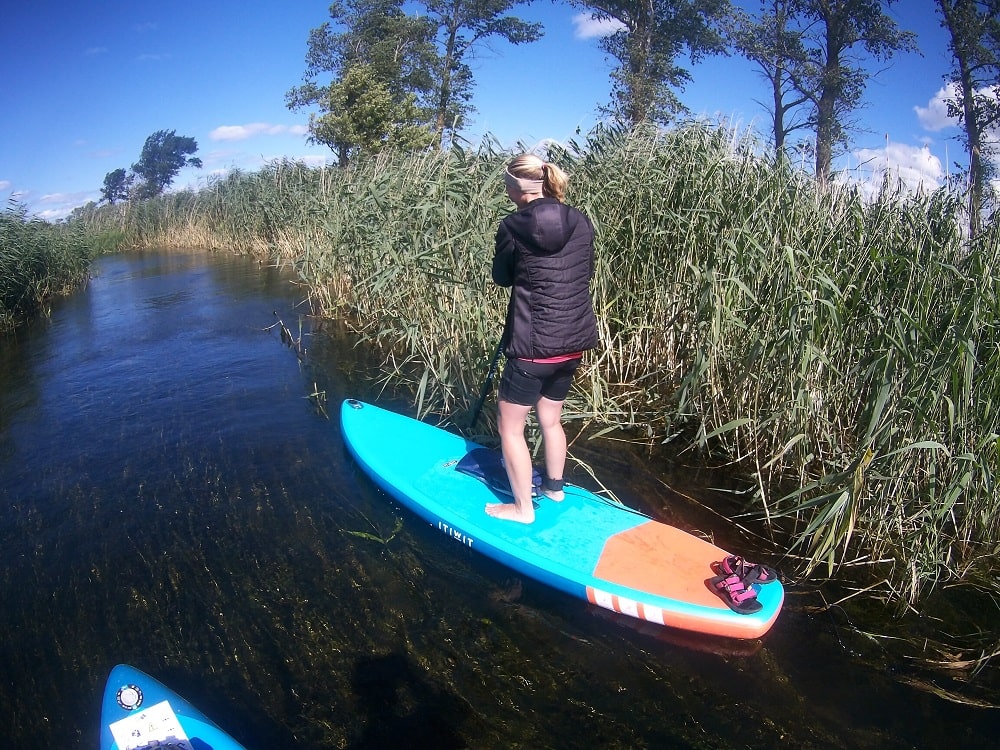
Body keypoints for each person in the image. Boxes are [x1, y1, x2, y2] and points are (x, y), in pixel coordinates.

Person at [485, 154, 599, 524]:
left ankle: (522, 509)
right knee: (550, 419)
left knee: (510, 427)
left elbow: (501, 278)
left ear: (518, 188)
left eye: (506, 183)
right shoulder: (580, 221)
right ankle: (554, 489)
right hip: (573, 342)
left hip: (534, 348)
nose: (504, 189)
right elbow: (585, 272)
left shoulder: (513, 225)